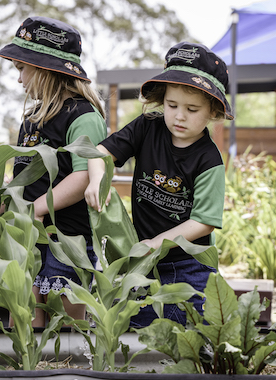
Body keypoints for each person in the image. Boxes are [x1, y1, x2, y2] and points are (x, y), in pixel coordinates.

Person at [84, 42, 234, 327]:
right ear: (161, 100)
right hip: (143, 255)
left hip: (188, 262)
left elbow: (204, 222)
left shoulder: (209, 159)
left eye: (192, 109)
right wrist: (96, 178)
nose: (179, 115)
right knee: (138, 326)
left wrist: (158, 243)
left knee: (191, 328)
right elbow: (100, 153)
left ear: (213, 112)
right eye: (172, 105)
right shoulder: (147, 127)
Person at [0, 16, 107, 327]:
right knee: (30, 319)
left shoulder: (83, 117)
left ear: (45, 69)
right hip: (30, 237)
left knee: (67, 325)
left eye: (22, 69)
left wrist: (36, 209)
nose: (20, 80)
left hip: (67, 239)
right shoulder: (31, 119)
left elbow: (84, 176)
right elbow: (21, 177)